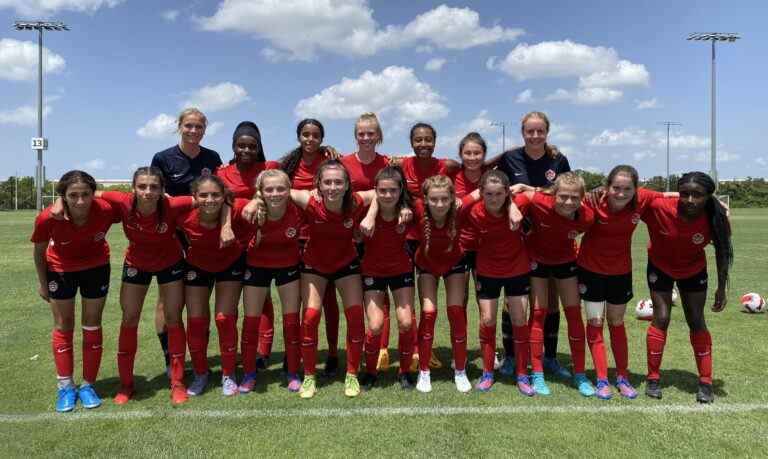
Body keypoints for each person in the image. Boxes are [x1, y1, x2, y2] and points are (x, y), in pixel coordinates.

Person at [97, 167, 195, 405]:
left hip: (170, 262)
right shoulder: (122, 201)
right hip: (136, 264)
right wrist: (59, 202)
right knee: (129, 318)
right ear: (133, 188)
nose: (148, 192)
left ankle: (177, 382)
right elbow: (94, 193)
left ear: (163, 190)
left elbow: (209, 195)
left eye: (154, 187)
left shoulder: (172, 206)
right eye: (142, 186)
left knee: (173, 318)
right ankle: (126, 384)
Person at [31, 170, 120, 412]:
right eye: (73, 195)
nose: (80, 201)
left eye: (85, 194)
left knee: (92, 323)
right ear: (63, 196)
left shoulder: (106, 210)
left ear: (94, 193)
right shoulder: (47, 218)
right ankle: (66, 387)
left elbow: (130, 203)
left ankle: (88, 385)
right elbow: (39, 253)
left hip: (97, 266)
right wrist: (42, 282)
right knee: (64, 325)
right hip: (60, 269)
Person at [578, 165, 669, 400]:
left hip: (620, 272)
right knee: (595, 322)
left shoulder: (642, 199)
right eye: (616, 187)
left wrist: (715, 203)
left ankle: (622, 377)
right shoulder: (594, 200)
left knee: (616, 322)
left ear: (635, 189)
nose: (621, 193)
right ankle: (601, 379)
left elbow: (671, 197)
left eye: (627, 188)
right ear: (607, 186)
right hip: (590, 270)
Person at [641, 172, 732, 403]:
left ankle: (705, 382)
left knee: (696, 319)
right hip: (660, 266)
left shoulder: (717, 216)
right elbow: (629, 194)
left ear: (707, 196)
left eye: (697, 195)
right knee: (661, 318)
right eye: (685, 194)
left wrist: (722, 288)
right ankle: (653, 378)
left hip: (693, 269)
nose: (690, 200)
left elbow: (722, 253)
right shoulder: (660, 206)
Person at [497, 111, 571, 380]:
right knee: (514, 301)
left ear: (547, 132)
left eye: (540, 131)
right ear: (523, 132)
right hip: (516, 237)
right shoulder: (509, 158)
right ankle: (511, 357)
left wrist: (529, 189)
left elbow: (567, 194)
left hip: (549, 237)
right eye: (530, 131)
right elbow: (497, 190)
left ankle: (548, 357)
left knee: (549, 302)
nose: (535, 136)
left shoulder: (558, 160)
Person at [149, 108, 223, 375]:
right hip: (171, 238)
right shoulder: (163, 158)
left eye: (199, 127)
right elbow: (155, 195)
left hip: (204, 238)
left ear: (204, 129)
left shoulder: (212, 158)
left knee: (199, 303)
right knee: (167, 302)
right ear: (179, 126)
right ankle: (171, 357)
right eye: (189, 126)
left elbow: (220, 193)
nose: (193, 131)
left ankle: (198, 357)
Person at [513, 172, 596, 397]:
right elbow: (511, 199)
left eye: (574, 198)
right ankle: (537, 373)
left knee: (574, 314)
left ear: (582, 197)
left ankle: (580, 374)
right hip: (536, 260)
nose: (568, 202)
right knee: (538, 313)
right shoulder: (538, 200)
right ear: (554, 194)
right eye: (563, 196)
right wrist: (514, 204)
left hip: (566, 261)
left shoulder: (587, 216)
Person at [175, 175, 250, 397]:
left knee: (224, 319)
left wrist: (228, 223)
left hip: (230, 264)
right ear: (195, 197)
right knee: (196, 321)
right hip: (197, 266)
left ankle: (228, 374)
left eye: (216, 195)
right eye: (204, 195)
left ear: (224, 197)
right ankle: (200, 373)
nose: (210, 200)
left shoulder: (235, 209)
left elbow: (259, 199)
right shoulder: (183, 216)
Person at [279, 119, 343, 376]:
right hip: (296, 237)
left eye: (315, 135)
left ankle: (333, 353)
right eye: (305, 134)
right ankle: (294, 353)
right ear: (298, 137)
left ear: (322, 138)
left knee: (329, 302)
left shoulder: (330, 160)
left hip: (328, 235)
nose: (310, 139)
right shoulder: (288, 165)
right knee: (301, 303)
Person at [216, 121, 280, 371]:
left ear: (259, 147)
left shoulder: (270, 167)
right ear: (233, 146)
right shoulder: (222, 173)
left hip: (262, 242)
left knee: (261, 299)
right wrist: (226, 226)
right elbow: (220, 201)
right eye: (241, 145)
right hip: (232, 242)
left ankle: (263, 352)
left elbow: (283, 183)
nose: (246, 150)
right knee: (230, 303)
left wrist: (325, 150)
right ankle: (233, 350)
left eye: (251, 146)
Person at [464, 170, 532, 395]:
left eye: (499, 193)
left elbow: (547, 195)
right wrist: (474, 195)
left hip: (517, 268)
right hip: (488, 270)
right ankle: (487, 373)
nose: (494, 199)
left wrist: (520, 191)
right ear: (481, 193)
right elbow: (457, 207)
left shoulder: (519, 203)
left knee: (519, 319)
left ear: (507, 193)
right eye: (489, 194)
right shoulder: (475, 211)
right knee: (488, 319)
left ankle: (522, 374)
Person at [412, 175, 479, 393]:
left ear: (452, 198)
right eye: (434, 199)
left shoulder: (460, 208)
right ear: (425, 199)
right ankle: (424, 372)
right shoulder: (416, 208)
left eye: (444, 199)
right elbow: (386, 194)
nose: (439, 204)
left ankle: (460, 370)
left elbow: (485, 188)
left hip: (455, 264)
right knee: (428, 313)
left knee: (456, 311)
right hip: (426, 266)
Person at [239, 169, 304, 393]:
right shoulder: (250, 211)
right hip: (257, 268)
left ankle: (293, 372)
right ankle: (249, 373)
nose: (275, 193)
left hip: (288, 267)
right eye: (269, 189)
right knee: (250, 322)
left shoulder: (298, 210)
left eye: (281, 188)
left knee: (291, 321)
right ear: (260, 192)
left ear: (289, 191)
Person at [340, 113, 395, 372]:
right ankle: (360, 346)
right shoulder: (342, 163)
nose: (365, 138)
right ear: (355, 135)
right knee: (359, 298)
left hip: (384, 237)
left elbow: (397, 192)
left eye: (370, 133)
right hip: (351, 237)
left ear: (379, 135)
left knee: (382, 295)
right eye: (361, 133)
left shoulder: (389, 164)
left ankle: (381, 349)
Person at [357, 166, 417, 390]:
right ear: (376, 191)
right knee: (375, 325)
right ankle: (370, 372)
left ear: (400, 190)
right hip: (372, 271)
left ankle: (404, 372)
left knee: (406, 321)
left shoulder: (409, 213)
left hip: (401, 270)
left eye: (393, 190)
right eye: (383, 191)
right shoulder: (364, 213)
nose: (388, 195)